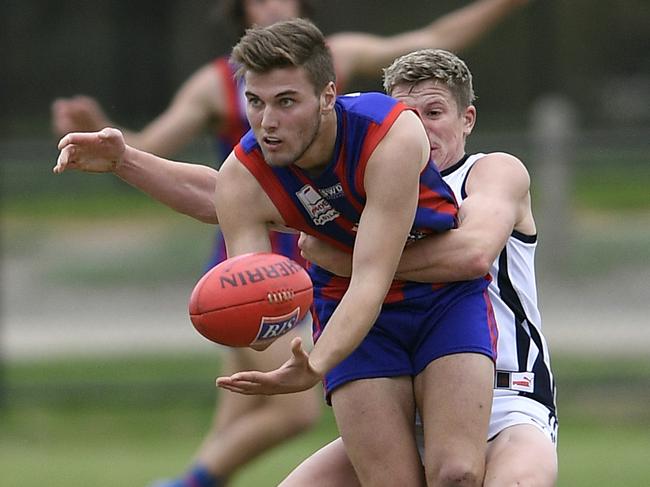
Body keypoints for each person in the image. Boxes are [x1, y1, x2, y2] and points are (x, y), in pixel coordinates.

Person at [51, 1, 531, 486]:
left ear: (327, 95)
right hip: (350, 309)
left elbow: (371, 274)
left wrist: (315, 365)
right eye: (255, 103)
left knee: (456, 473)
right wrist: (127, 161)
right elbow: (238, 246)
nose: (267, 121)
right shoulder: (244, 173)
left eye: (285, 101)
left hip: (440, 302)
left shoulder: (388, 132)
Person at [278, 48, 558, 487]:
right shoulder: (368, 188)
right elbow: (237, 190)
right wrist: (133, 164)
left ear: (467, 119)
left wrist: (352, 262)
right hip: (404, 400)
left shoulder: (490, 172)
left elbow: (471, 255)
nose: (422, 127)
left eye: (435, 111)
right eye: (408, 115)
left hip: (508, 397)